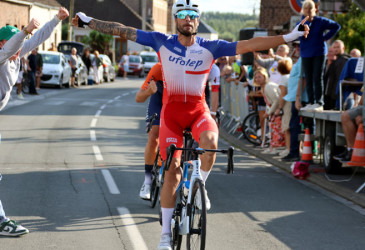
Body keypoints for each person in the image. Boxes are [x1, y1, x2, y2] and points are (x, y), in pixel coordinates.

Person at [72, 1, 309, 248]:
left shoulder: (211, 47)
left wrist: (290, 36)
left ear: (198, 19)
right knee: (172, 170)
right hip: (171, 114)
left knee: (211, 142)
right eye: (183, 14)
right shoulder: (160, 40)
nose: (189, 19)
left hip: (198, 111)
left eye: (193, 15)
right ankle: (165, 235)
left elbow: (251, 44)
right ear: (176, 19)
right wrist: (89, 20)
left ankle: (200, 183)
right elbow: (122, 30)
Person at [0, 7, 69, 236]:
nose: (17, 48)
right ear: (1, 43)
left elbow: (38, 38)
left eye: (18, 45)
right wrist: (24, 31)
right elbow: (14, 44)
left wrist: (56, 20)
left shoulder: (15, 54)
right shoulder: (1, 55)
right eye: (12, 43)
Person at [299, 0, 341, 111]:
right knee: (308, 78)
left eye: (310, 8)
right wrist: (303, 27)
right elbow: (298, 36)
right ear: (303, 10)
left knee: (317, 77)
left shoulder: (320, 21)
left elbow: (336, 26)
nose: (307, 11)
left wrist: (325, 38)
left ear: (314, 10)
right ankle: (311, 101)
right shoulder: (301, 22)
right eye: (305, 8)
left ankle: (319, 101)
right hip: (306, 53)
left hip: (318, 52)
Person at [135, 62, 164, 200]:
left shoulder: (189, 66)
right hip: (158, 102)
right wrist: (149, 91)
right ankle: (147, 181)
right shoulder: (158, 68)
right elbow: (138, 98)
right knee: (154, 136)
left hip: (177, 105)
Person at [283, 42, 308, 161]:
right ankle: (294, 151)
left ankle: (295, 152)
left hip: (299, 99)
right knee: (294, 126)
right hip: (294, 97)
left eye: (300, 45)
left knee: (296, 126)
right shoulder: (300, 59)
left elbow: (303, 79)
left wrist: (298, 97)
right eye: (296, 46)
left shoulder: (304, 60)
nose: (297, 48)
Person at [324, 40, 350, 110]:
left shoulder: (344, 61)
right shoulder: (335, 61)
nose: (335, 49)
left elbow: (340, 79)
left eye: (338, 47)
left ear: (343, 48)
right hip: (331, 95)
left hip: (338, 96)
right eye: (334, 47)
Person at [275, 59, 293, 158]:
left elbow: (283, 94)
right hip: (293, 102)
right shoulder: (290, 76)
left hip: (287, 104)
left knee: (287, 128)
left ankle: (288, 148)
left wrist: (279, 107)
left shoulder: (283, 78)